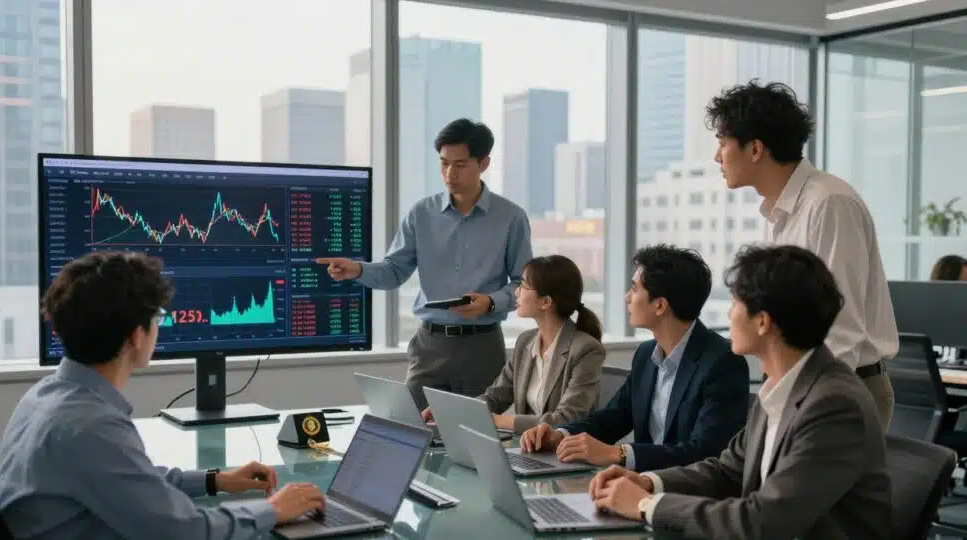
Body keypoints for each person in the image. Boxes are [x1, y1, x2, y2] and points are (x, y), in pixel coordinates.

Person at [0, 252, 326, 540]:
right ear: (136, 335)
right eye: (158, 317)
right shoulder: (89, 427)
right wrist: (273, 509)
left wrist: (216, 480)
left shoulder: (46, 397)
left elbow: (131, 482)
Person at [589, 245, 892, 540]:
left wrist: (648, 505)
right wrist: (648, 482)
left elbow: (762, 522)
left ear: (763, 322)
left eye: (734, 303)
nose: (728, 314)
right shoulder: (780, 386)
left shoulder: (833, 404)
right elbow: (726, 470)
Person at [707, 80, 898, 427]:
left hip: (838, 388)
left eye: (722, 144)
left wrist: (809, 404)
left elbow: (840, 329)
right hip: (799, 384)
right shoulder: (780, 211)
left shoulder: (829, 204)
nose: (717, 157)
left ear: (755, 149)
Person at [317, 118, 533, 408]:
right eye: (444, 163)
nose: (450, 174)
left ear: (483, 163)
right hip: (430, 346)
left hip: (482, 347)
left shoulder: (511, 218)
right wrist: (357, 269)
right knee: (413, 427)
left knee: (479, 432)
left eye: (460, 164)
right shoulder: (421, 213)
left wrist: (490, 302)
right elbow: (394, 271)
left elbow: (524, 284)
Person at [519, 245, 749, 472]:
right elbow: (613, 418)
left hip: (683, 489)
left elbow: (705, 451)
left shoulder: (722, 363)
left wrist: (618, 454)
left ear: (660, 305)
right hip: (637, 483)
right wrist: (560, 434)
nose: (627, 297)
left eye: (634, 289)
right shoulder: (646, 355)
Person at [421, 255, 606, 434]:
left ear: (545, 302)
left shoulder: (586, 350)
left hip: (565, 450)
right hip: (528, 448)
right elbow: (494, 397)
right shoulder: (525, 342)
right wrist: (451, 410)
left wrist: (500, 421)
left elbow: (566, 419)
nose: (516, 291)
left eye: (523, 285)